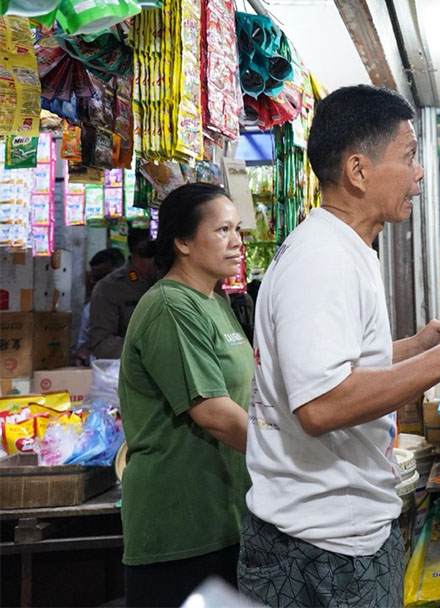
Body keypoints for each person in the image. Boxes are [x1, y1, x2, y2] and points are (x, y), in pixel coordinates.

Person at [240, 85, 440, 608]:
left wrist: (422, 343)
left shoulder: (346, 249)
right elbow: (321, 404)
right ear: (358, 171)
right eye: (408, 157)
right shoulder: (323, 260)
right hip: (321, 545)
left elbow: (343, 366)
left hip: (339, 530)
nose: (419, 173)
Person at [117, 183, 252, 607]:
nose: (237, 242)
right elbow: (212, 412)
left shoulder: (215, 301)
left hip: (224, 516)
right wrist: (294, 456)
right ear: (181, 242)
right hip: (180, 528)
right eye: (223, 230)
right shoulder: (171, 307)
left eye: (238, 230)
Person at [86, 228, 158, 359]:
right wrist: (149, 350)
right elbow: (101, 344)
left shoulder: (170, 280)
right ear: (138, 253)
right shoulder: (110, 288)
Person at [74, 248, 125, 365]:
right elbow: (83, 345)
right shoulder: (89, 309)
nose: (99, 284)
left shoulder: (141, 299)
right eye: (95, 278)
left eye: (104, 277)